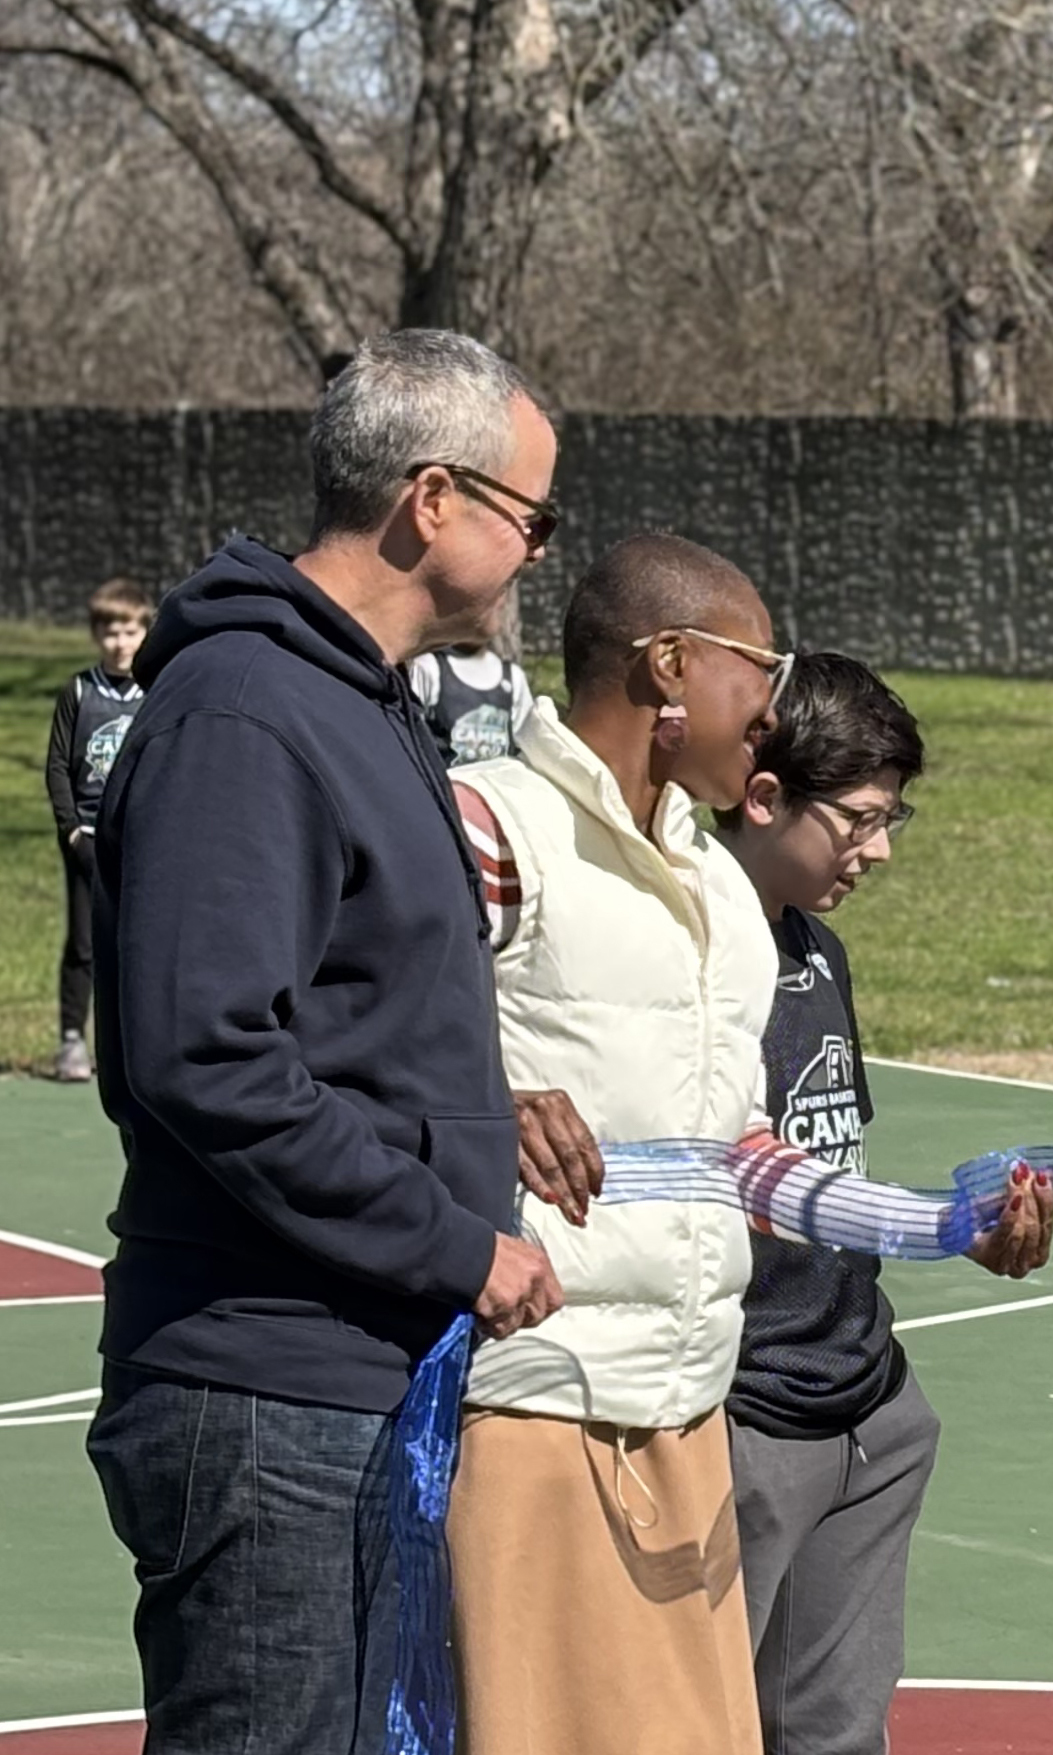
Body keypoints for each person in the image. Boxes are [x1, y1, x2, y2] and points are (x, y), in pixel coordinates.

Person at [83, 329, 566, 1755]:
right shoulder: (248, 705)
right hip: (265, 1389)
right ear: (433, 500)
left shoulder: (354, 699)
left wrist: (483, 1108)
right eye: (531, 515)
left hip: (354, 1373)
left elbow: (344, 1011)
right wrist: (453, 1236)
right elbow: (207, 1055)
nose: (539, 549)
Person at [442, 534, 792, 1755]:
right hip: (531, 1401)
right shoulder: (491, 827)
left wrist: (936, 1225)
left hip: (687, 1406)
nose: (774, 710)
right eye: (763, 668)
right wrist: (492, 1096)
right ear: (670, 665)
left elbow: (736, 1143)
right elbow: (348, 1042)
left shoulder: (722, 884)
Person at [711, 650, 1053, 1755]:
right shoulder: (687, 953)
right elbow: (737, 1175)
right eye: (860, 819)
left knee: (837, 1736)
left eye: (891, 815)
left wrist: (982, 1233)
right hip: (741, 1413)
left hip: (866, 1399)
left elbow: (830, 1160)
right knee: (697, 1724)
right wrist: (935, 1226)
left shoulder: (818, 950)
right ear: (764, 796)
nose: (882, 849)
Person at [43, 577, 150, 1082]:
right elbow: (58, 767)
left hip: (139, 843)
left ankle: (132, 1046)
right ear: (96, 635)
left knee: (136, 943)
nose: (120, 642)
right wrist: (70, 832)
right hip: (86, 839)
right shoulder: (80, 692)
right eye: (110, 633)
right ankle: (70, 1041)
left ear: (145, 631)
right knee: (84, 943)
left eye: (130, 631)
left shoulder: (157, 691)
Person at [407, 620, 535, 766]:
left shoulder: (513, 677)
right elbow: (411, 736)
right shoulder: (429, 667)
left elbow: (527, 743)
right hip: (445, 784)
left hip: (496, 785)